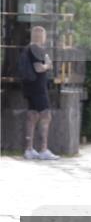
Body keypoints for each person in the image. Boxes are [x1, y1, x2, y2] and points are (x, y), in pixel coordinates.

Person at [19, 26, 58, 160]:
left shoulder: (29, 48)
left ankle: (29, 149)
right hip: (38, 88)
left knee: (32, 115)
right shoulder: (35, 49)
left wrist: (46, 62)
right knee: (46, 115)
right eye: (44, 35)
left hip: (30, 87)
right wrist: (47, 65)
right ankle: (43, 149)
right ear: (41, 36)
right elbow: (39, 68)